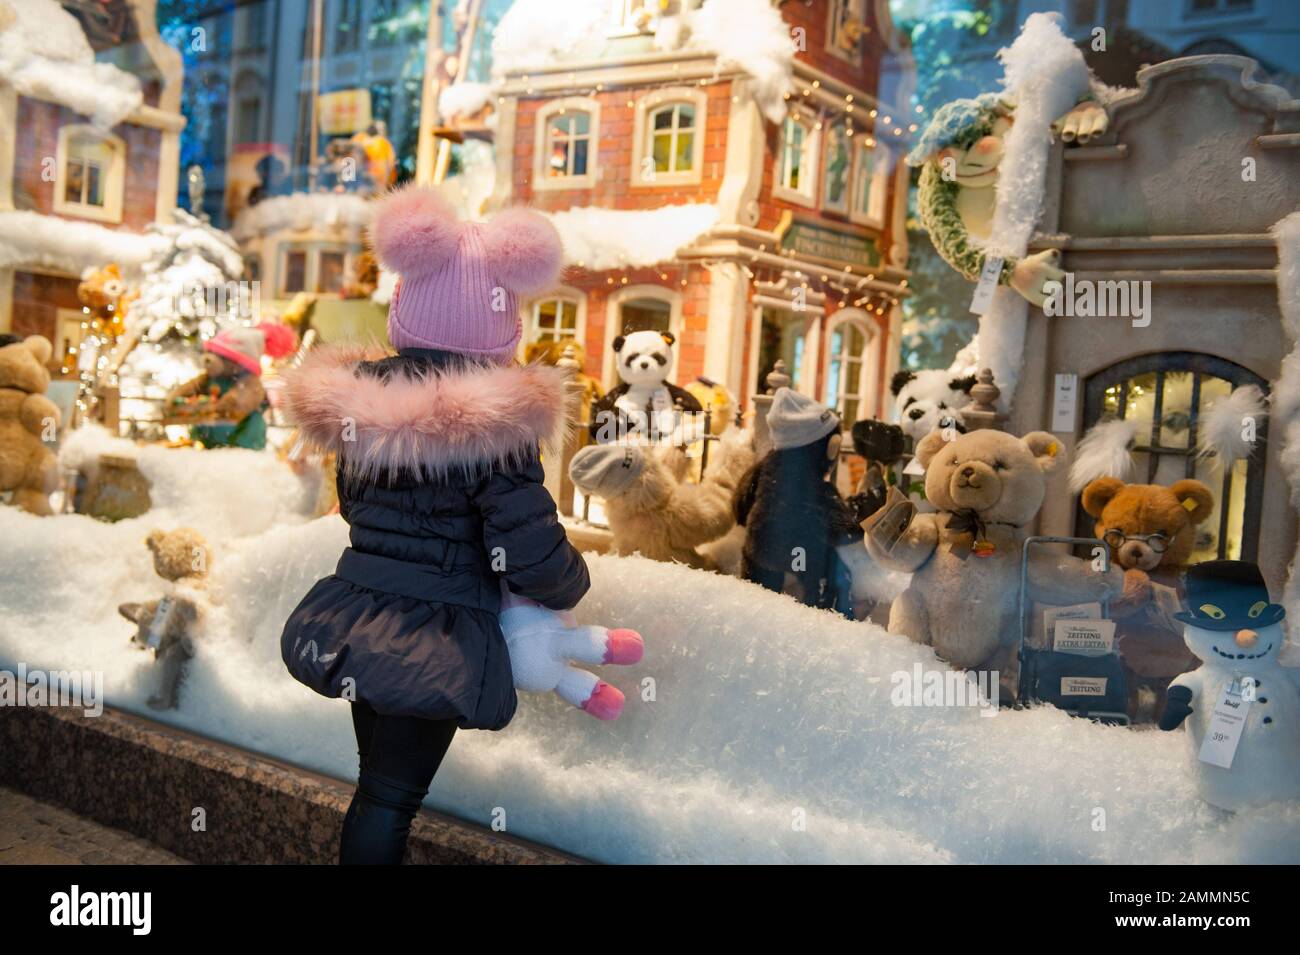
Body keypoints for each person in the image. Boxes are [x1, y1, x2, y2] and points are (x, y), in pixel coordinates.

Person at [278, 187, 588, 864]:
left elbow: (357, 509)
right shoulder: (495, 427)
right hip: (436, 636)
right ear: (499, 325)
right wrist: (571, 581)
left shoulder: (362, 401)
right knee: (389, 800)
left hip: (360, 616)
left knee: (377, 787)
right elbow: (525, 546)